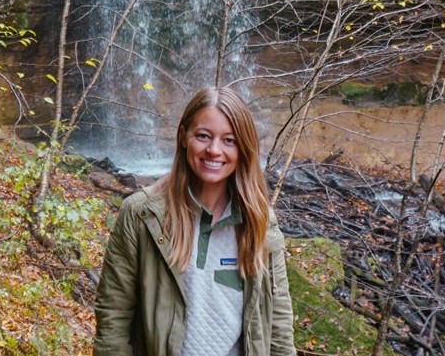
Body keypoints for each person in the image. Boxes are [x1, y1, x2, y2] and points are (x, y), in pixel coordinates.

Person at [93, 87, 296, 356]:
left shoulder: (259, 220)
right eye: (203, 136)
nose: (214, 150)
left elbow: (278, 322)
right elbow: (113, 316)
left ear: (243, 148)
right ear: (183, 136)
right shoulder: (142, 215)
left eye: (229, 140)